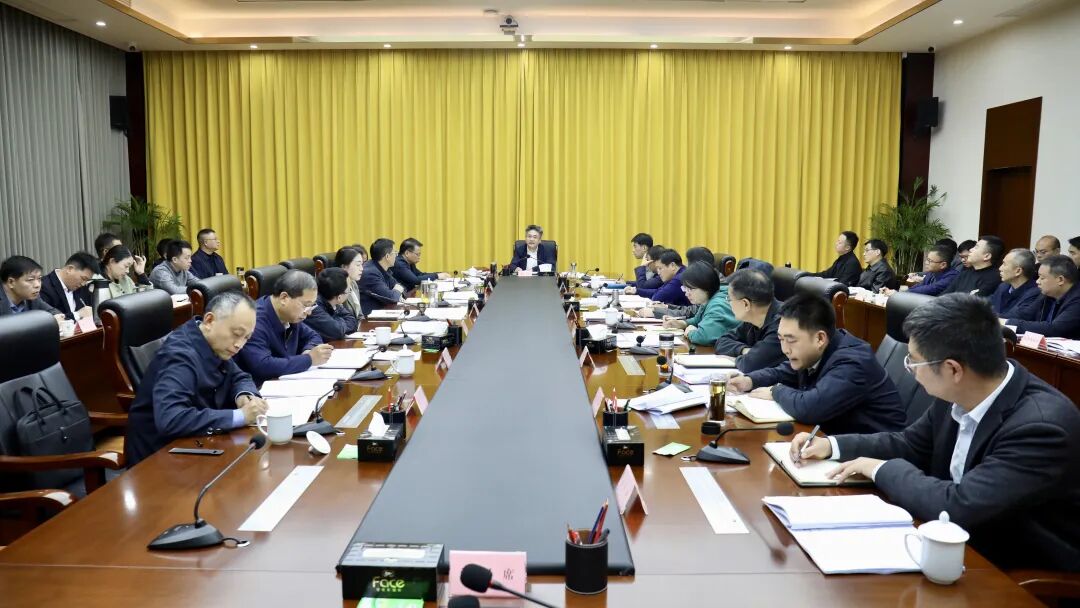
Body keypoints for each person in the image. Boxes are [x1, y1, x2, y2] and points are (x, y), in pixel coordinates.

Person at [792, 293, 1080, 571]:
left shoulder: (1041, 427)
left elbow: (959, 506)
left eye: (913, 361)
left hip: (1011, 567)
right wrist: (832, 446)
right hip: (955, 542)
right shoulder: (958, 393)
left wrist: (880, 469)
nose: (910, 370)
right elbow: (909, 444)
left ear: (953, 369)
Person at [124, 292, 269, 467]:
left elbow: (239, 376)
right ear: (209, 321)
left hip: (198, 443)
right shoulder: (179, 357)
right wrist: (241, 416)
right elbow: (171, 419)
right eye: (236, 334)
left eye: (246, 337)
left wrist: (244, 396)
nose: (239, 344)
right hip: (159, 457)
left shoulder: (212, 342)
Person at [728, 293, 904, 434]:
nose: (785, 349)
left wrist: (776, 391)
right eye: (781, 339)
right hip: (833, 440)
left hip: (873, 457)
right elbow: (784, 371)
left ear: (820, 338)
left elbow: (811, 408)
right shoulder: (817, 350)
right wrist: (749, 380)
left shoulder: (852, 361)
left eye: (791, 340)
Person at [235, 270, 332, 385]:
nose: (309, 312)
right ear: (284, 298)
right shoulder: (254, 319)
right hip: (258, 389)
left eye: (312, 306)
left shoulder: (290, 316)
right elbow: (262, 366)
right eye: (306, 305)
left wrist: (308, 350)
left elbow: (313, 336)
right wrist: (309, 359)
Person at [714, 269, 785, 373]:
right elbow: (721, 341)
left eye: (729, 299)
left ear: (745, 304)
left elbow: (751, 364)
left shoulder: (783, 324)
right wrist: (744, 350)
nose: (728, 303)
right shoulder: (753, 318)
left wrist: (739, 359)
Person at [659, 261, 737, 347]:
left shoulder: (718, 305)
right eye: (685, 288)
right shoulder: (708, 298)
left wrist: (690, 332)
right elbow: (697, 319)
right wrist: (682, 323)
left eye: (690, 289)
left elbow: (704, 337)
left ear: (706, 286)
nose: (687, 294)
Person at [1006, 255, 1080, 339]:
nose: (1037, 281)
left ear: (1060, 280)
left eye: (1042, 278)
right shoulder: (1047, 294)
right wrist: (998, 320)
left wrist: (1009, 323)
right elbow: (1025, 315)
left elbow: (1055, 329)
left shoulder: (1077, 300)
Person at [0, 256, 64, 321]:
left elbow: (53, 312)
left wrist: (56, 317)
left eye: (39, 278)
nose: (37, 285)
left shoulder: (33, 298)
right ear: (11, 282)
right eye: (30, 280)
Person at [39, 252, 98, 322]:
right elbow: (47, 319)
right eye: (83, 278)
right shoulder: (43, 287)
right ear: (70, 269)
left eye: (87, 280)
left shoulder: (82, 288)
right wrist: (77, 314)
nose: (83, 284)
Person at [304, 267, 359, 341]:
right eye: (349, 290)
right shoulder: (313, 307)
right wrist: (337, 323)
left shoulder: (333, 302)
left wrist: (335, 322)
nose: (350, 292)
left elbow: (352, 320)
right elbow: (337, 332)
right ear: (339, 297)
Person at [624, 249, 689, 306]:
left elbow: (657, 297)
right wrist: (636, 291)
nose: (658, 272)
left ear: (672, 265)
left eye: (660, 268)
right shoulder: (680, 273)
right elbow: (659, 291)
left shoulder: (680, 278)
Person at [358, 238, 405, 315]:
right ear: (387, 256)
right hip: (369, 318)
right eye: (395, 253)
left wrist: (397, 293)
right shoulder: (370, 273)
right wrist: (397, 292)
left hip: (383, 312)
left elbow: (401, 287)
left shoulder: (383, 268)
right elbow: (391, 298)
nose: (396, 256)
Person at [888, 244, 958, 296]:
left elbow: (931, 289)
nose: (926, 262)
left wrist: (900, 294)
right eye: (927, 259)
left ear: (943, 265)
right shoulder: (932, 273)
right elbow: (919, 286)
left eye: (930, 261)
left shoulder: (952, 276)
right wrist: (898, 292)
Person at [990, 248, 1040, 319]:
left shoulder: (1035, 293)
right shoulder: (1003, 287)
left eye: (1004, 264)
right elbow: (989, 303)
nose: (1000, 268)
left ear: (1018, 271)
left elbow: (1014, 317)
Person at [334, 246, 366, 319]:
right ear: (344, 267)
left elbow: (360, 315)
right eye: (358, 265)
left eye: (362, 264)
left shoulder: (353, 283)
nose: (362, 269)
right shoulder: (338, 289)